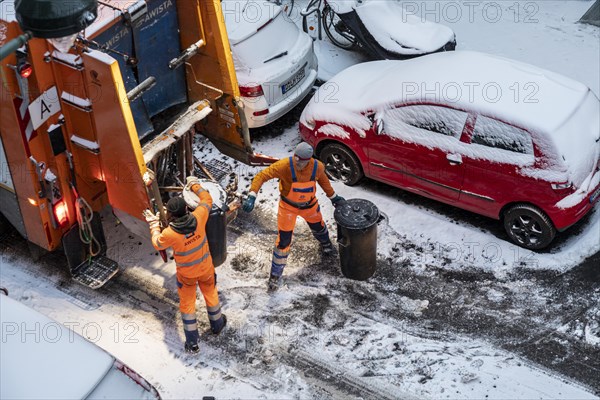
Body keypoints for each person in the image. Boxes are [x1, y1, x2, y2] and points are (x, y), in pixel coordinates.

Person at [242, 142, 345, 291]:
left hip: (309, 206)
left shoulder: (317, 167)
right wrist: (252, 195)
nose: (297, 162)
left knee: (319, 227)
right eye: (295, 158)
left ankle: (326, 246)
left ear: (308, 159)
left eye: (301, 160)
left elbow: (324, 182)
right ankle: (275, 276)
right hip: (288, 208)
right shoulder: (284, 166)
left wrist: (333, 197)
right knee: (283, 241)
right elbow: (261, 176)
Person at [143, 177, 226, 354]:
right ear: (187, 208)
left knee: (187, 306)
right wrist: (194, 185)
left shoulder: (170, 233)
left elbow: (157, 243)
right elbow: (207, 199)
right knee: (210, 294)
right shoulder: (199, 216)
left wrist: (153, 225)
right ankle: (217, 325)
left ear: (171, 215)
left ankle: (192, 343)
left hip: (187, 275)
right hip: (206, 269)